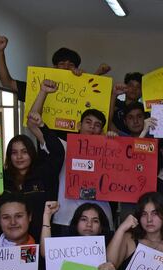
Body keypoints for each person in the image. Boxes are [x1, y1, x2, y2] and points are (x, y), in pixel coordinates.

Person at [28, 79, 114, 232]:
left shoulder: (110, 152)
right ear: (79, 126)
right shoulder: (62, 146)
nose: (92, 127)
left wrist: (115, 142)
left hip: (100, 220)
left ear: (101, 130)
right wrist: (43, 92)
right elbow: (32, 124)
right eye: (88, 122)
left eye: (97, 125)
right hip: (66, 219)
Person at [0, 110, 65, 243]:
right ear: (9, 156)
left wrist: (42, 126)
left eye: (24, 152)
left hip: (40, 243)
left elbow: (57, 152)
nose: (19, 157)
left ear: (32, 153)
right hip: (3, 246)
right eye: (14, 152)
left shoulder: (44, 174)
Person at [0, 35, 110, 102]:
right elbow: (7, 82)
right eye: (62, 63)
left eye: (71, 65)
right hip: (46, 142)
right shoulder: (39, 87)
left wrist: (94, 75)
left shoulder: (81, 89)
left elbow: (94, 97)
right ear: (54, 67)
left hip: (76, 142)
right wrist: (0, 52)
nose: (66, 67)